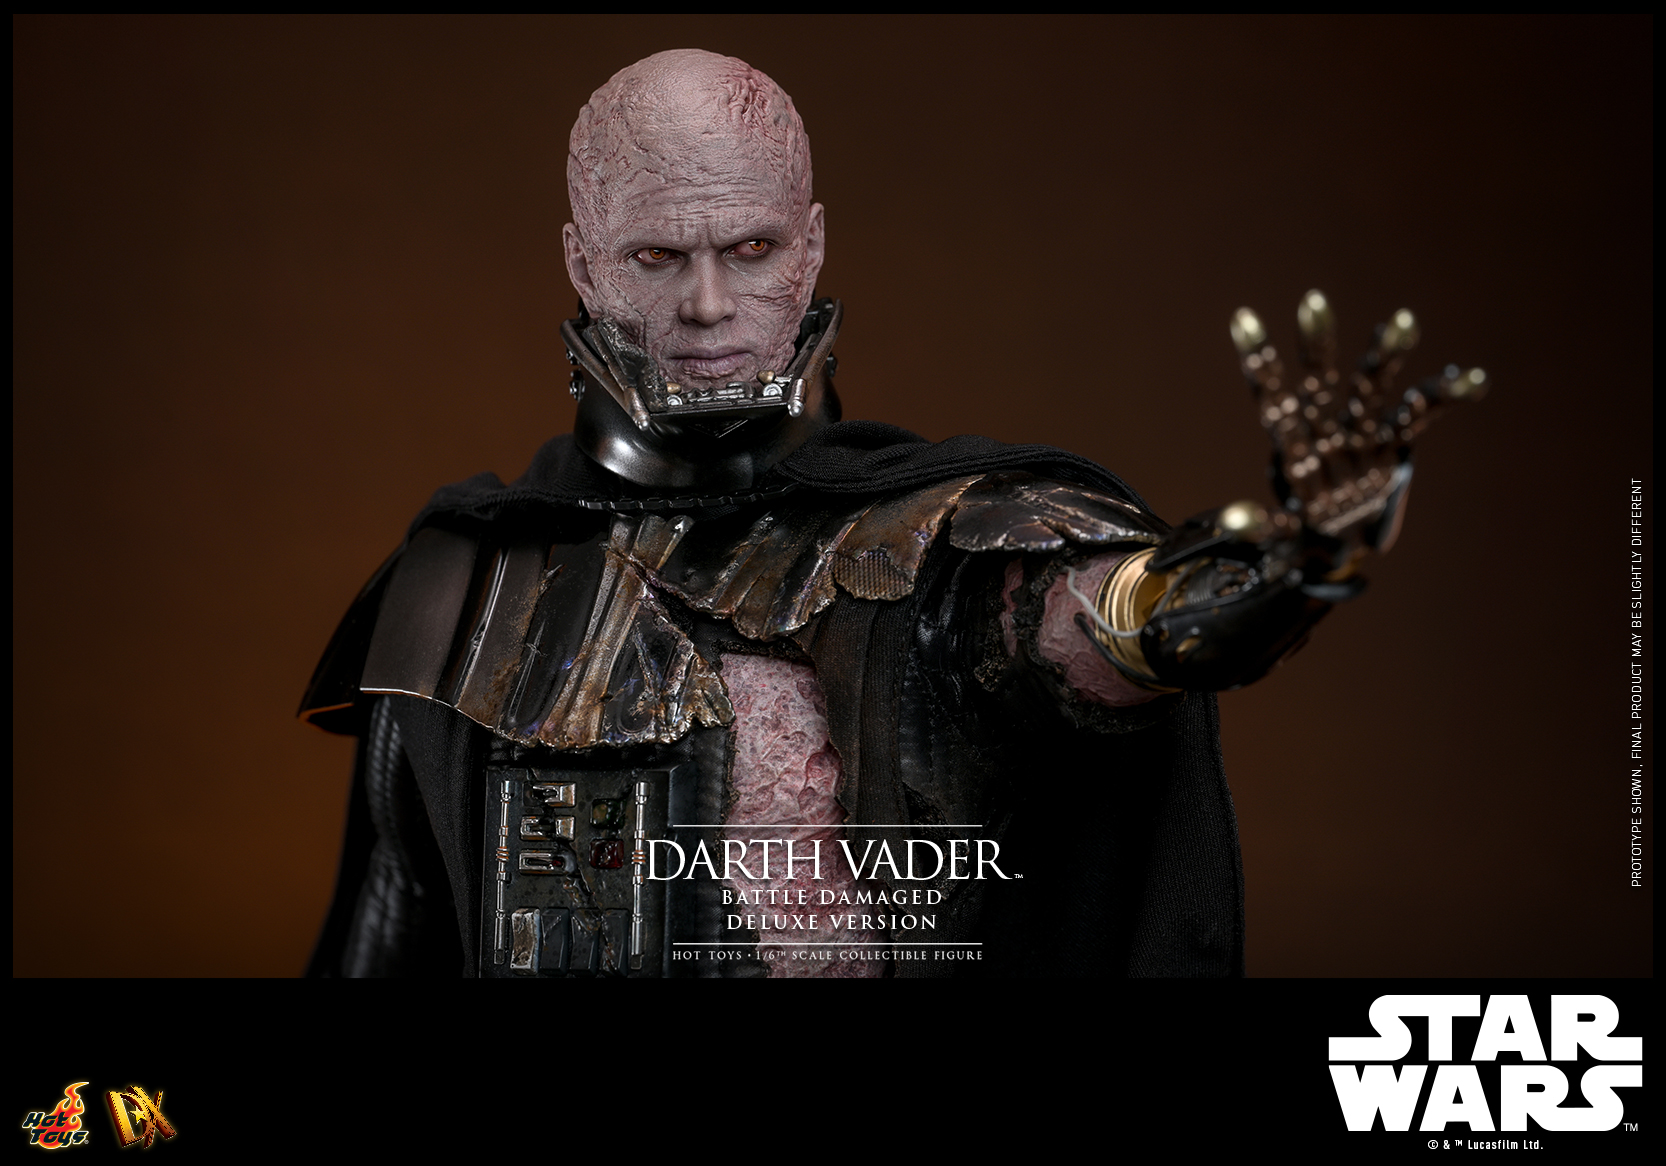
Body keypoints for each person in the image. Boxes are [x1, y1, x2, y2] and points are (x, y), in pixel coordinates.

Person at [300, 49, 1481, 978]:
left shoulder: (940, 532)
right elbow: (393, 921)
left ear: (809, 248)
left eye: (750, 248)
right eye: (656, 255)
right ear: (584, 261)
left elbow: (1111, 624)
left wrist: (1286, 570)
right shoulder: (465, 578)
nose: (708, 304)